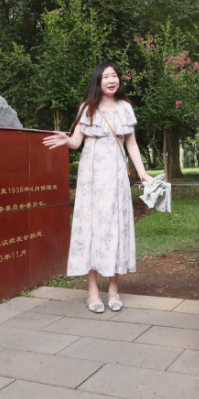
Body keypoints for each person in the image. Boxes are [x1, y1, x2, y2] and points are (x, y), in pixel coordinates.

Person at [43, 62, 153, 313]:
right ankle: (92, 291)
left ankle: (113, 289)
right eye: (106, 76)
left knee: (117, 226)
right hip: (91, 178)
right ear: (98, 81)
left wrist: (143, 172)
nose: (111, 80)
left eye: (114, 75)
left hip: (116, 178)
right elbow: (76, 142)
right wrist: (66, 139)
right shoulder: (87, 108)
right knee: (90, 228)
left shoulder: (125, 108)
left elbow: (132, 145)